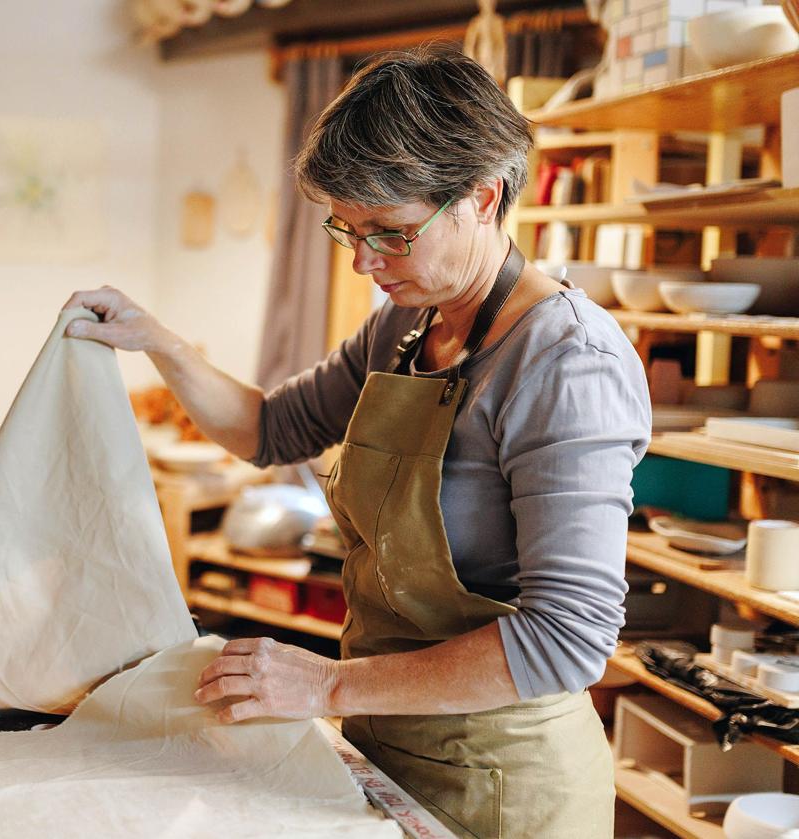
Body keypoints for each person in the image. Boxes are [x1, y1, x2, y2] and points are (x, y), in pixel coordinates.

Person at [65, 48, 650, 839]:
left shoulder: (566, 362)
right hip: (386, 744)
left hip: (505, 787)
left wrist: (329, 685)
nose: (362, 260)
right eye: (348, 227)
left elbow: (566, 638)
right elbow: (272, 429)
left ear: (483, 198)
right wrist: (160, 342)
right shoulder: (407, 325)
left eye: (391, 232)